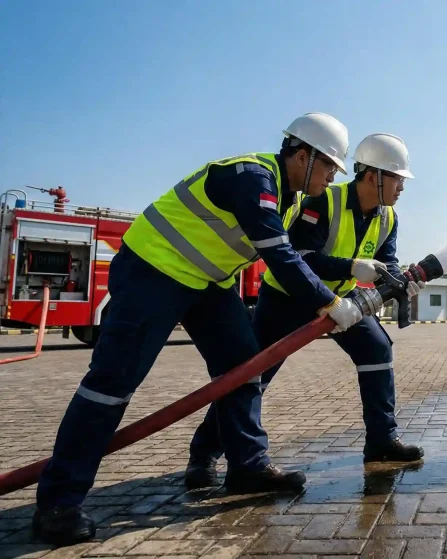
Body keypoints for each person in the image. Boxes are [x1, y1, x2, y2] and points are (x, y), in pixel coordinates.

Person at [33, 113, 369, 546]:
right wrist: (331, 303)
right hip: (155, 269)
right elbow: (281, 256)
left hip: (209, 283)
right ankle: (58, 503)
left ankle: (247, 467)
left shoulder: (288, 197)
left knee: (245, 369)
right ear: (302, 156)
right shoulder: (253, 178)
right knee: (111, 385)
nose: (332, 177)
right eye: (328, 166)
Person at [184, 133, 423, 489]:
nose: (402, 187)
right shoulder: (323, 200)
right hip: (289, 298)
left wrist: (398, 280)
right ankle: (203, 455)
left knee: (377, 349)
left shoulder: (389, 218)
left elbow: (385, 262)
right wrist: (350, 267)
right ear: (373, 176)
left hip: (343, 300)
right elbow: (302, 257)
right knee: (252, 375)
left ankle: (382, 441)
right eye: (397, 178)